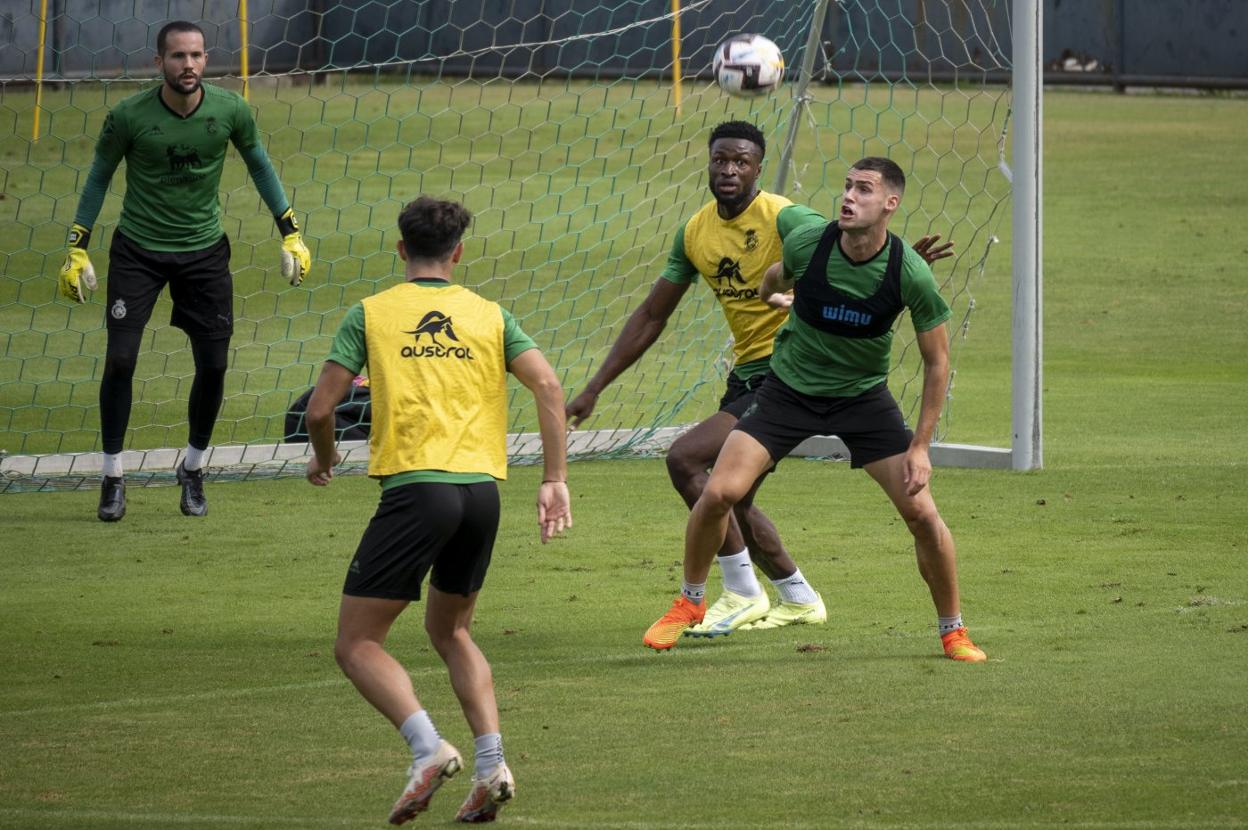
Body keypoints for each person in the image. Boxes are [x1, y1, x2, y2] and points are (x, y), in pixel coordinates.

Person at [566, 121, 952, 647]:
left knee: (689, 462)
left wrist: (890, 275)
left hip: (795, 370)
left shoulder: (787, 216)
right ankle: (788, 595)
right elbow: (654, 313)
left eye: (741, 162)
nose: (729, 170)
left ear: (757, 168)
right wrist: (596, 386)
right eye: (720, 160)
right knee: (729, 494)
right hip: (757, 375)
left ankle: (749, 593)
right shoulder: (696, 232)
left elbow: (841, 249)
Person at [645, 157, 986, 662]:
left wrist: (920, 448)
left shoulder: (909, 272)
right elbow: (771, 281)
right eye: (847, 186)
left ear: (890, 203)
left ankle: (953, 631)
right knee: (719, 491)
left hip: (862, 399)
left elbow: (938, 364)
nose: (849, 196)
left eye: (865, 190)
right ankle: (690, 603)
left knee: (922, 515)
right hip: (787, 391)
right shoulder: (809, 244)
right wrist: (781, 297)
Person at [304, 197, 572, 824]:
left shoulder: (369, 313)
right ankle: (492, 764)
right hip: (481, 494)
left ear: (401, 250)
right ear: (458, 253)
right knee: (451, 631)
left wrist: (324, 459)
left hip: (417, 493)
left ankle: (428, 749)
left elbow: (320, 412)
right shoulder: (491, 315)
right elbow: (550, 386)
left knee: (356, 643)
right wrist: (554, 477)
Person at [58, 20, 312, 522]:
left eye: (196, 55)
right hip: (138, 252)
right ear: (159, 64)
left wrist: (291, 232)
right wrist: (77, 247)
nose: (189, 65)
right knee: (121, 361)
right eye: (178, 56)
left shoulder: (231, 110)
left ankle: (193, 468)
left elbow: (260, 165)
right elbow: (98, 178)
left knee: (214, 366)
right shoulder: (128, 115)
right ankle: (112, 476)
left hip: (204, 253)